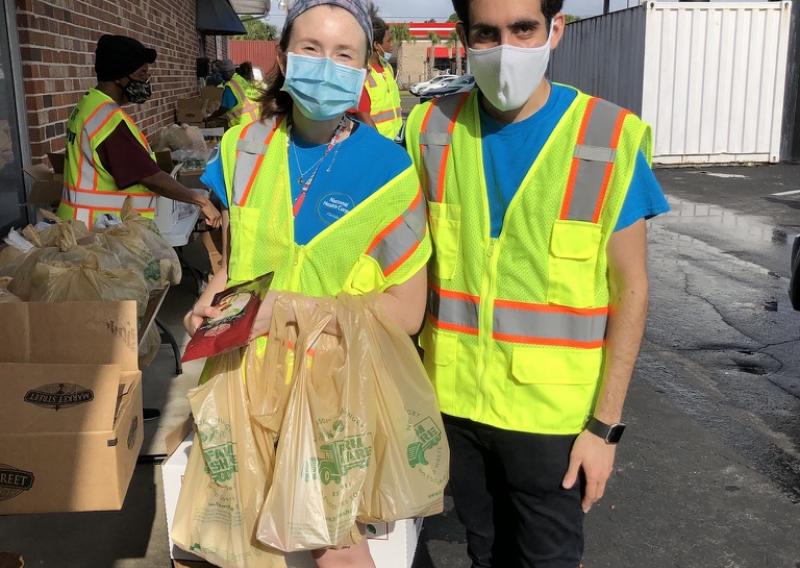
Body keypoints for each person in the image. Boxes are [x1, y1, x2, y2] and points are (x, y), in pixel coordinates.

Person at [404, 0, 670, 566]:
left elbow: (632, 292)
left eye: (524, 29)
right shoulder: (428, 129)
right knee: (486, 551)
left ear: (556, 30)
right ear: (464, 38)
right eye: (488, 33)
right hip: (455, 409)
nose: (506, 49)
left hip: (555, 424)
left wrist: (604, 429)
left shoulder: (607, 136)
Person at [186, 1, 431, 566]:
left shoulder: (389, 173)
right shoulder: (241, 148)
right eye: (310, 49)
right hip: (243, 381)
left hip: (335, 396)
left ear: (366, 65)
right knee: (242, 545)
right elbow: (231, 259)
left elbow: (406, 312)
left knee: (335, 551)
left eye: (343, 53)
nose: (326, 65)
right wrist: (210, 300)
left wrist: (288, 308)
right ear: (282, 56)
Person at [56, 34, 221, 229]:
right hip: (99, 232)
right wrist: (201, 201)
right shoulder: (108, 120)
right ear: (119, 76)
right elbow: (151, 177)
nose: (146, 82)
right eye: (142, 74)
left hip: (80, 223)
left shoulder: (88, 105)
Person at [350, 9, 403, 139]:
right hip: (377, 142)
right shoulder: (361, 73)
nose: (392, 45)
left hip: (397, 139)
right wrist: (380, 146)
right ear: (376, 45)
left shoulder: (387, 67)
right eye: (388, 41)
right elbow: (363, 117)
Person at [206, 59, 260, 128]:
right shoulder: (240, 79)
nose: (221, 77)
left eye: (222, 74)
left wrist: (211, 117)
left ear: (227, 73)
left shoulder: (230, 86)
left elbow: (224, 108)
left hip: (240, 124)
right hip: (253, 120)